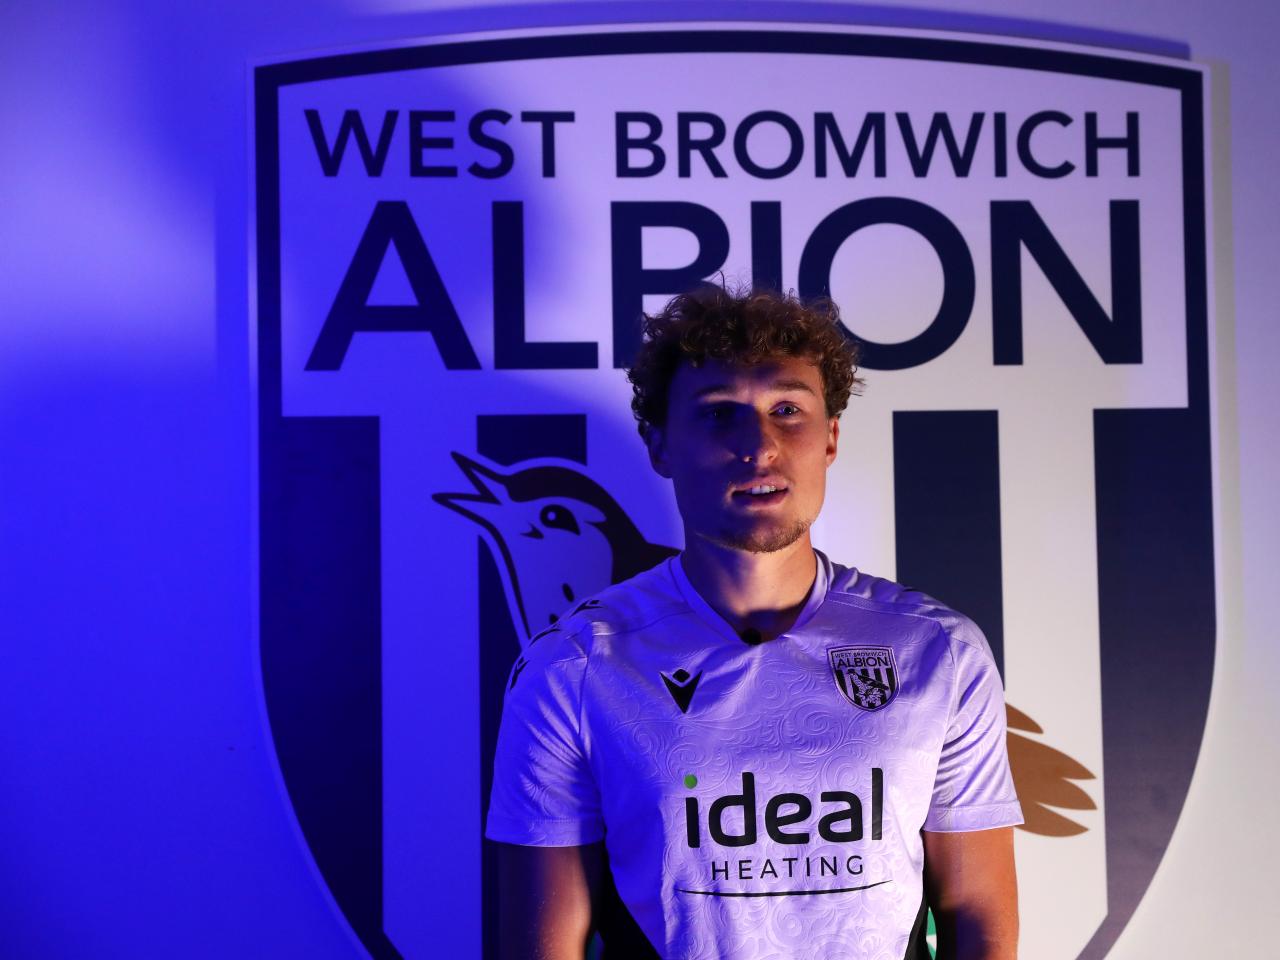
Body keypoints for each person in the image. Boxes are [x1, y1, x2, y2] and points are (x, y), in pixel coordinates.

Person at [485, 285, 1022, 960]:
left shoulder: (937, 652)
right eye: (718, 415)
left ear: (830, 437)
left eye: (787, 410)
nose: (759, 446)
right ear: (659, 446)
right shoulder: (572, 669)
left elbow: (976, 913)